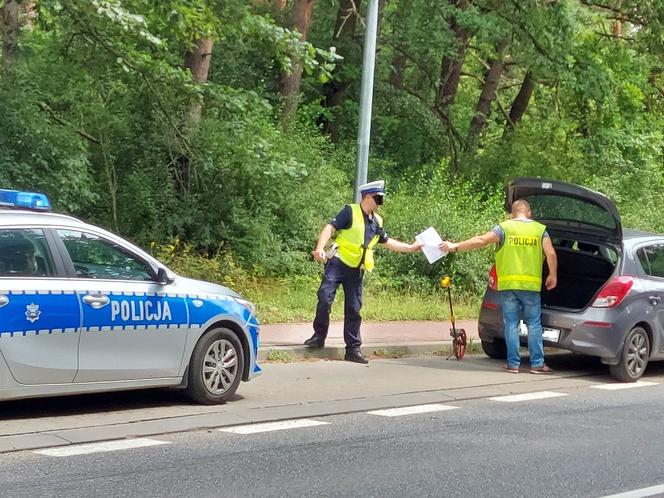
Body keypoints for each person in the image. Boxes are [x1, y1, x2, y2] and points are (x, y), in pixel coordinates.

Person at [304, 180, 422, 364]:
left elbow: (386, 241)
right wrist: (320, 248)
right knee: (325, 297)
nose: (380, 202)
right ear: (367, 197)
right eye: (378, 198)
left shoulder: (377, 220)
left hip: (356, 270)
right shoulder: (350, 211)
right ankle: (318, 337)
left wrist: (410, 248)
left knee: (354, 309)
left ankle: (353, 349)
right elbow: (330, 227)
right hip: (338, 262)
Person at [440, 199, 558, 374]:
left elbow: (481, 240)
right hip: (531, 286)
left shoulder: (504, 228)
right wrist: (552, 275)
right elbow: (551, 253)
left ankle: (513, 364)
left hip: (508, 285)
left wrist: (454, 246)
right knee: (533, 324)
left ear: (512, 213)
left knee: (511, 323)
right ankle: (537, 364)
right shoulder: (540, 230)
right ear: (529, 213)